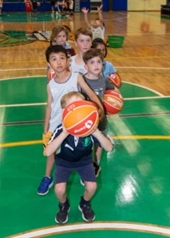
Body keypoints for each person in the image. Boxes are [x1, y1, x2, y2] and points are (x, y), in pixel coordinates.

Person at [37, 45, 105, 196]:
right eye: (54, 59)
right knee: (52, 154)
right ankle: (47, 177)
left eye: (62, 58)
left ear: (68, 60)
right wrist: (46, 128)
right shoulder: (50, 85)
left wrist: (100, 108)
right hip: (56, 125)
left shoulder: (76, 77)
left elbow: (90, 93)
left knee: (81, 150)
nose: (59, 62)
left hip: (75, 124)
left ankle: (86, 173)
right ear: (49, 64)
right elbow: (49, 106)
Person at [44, 91, 113, 224]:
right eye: (73, 107)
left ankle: (85, 203)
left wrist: (96, 132)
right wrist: (64, 133)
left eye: (80, 105)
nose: (77, 110)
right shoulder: (60, 130)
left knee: (92, 187)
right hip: (64, 162)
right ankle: (64, 205)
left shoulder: (89, 128)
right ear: (65, 112)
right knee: (59, 190)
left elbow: (109, 148)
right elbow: (47, 152)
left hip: (84, 161)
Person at [81, 49, 117, 177]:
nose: (96, 65)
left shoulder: (104, 80)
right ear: (86, 66)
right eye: (92, 62)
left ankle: (95, 164)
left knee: (99, 142)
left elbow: (114, 91)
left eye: (99, 62)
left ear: (103, 64)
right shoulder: (82, 81)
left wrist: (116, 102)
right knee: (86, 144)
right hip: (86, 120)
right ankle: (85, 163)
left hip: (101, 119)